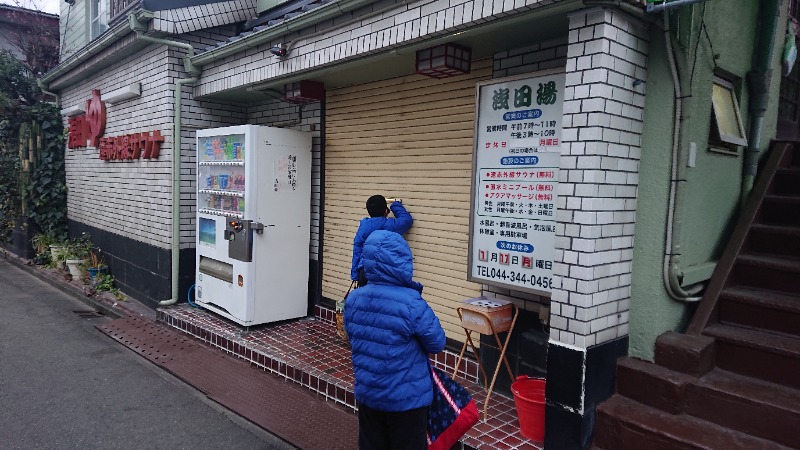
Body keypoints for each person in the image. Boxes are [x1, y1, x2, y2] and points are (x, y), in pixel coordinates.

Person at [344, 230, 446, 450]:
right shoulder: (411, 303)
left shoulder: (353, 300)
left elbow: (352, 336)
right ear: (401, 261)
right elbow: (437, 343)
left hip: (368, 393)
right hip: (406, 399)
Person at [351, 194, 413, 287]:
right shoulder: (389, 225)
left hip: (364, 270)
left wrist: (355, 274)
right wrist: (395, 204)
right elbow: (406, 220)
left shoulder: (364, 226)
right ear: (385, 211)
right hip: (382, 272)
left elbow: (357, 250)